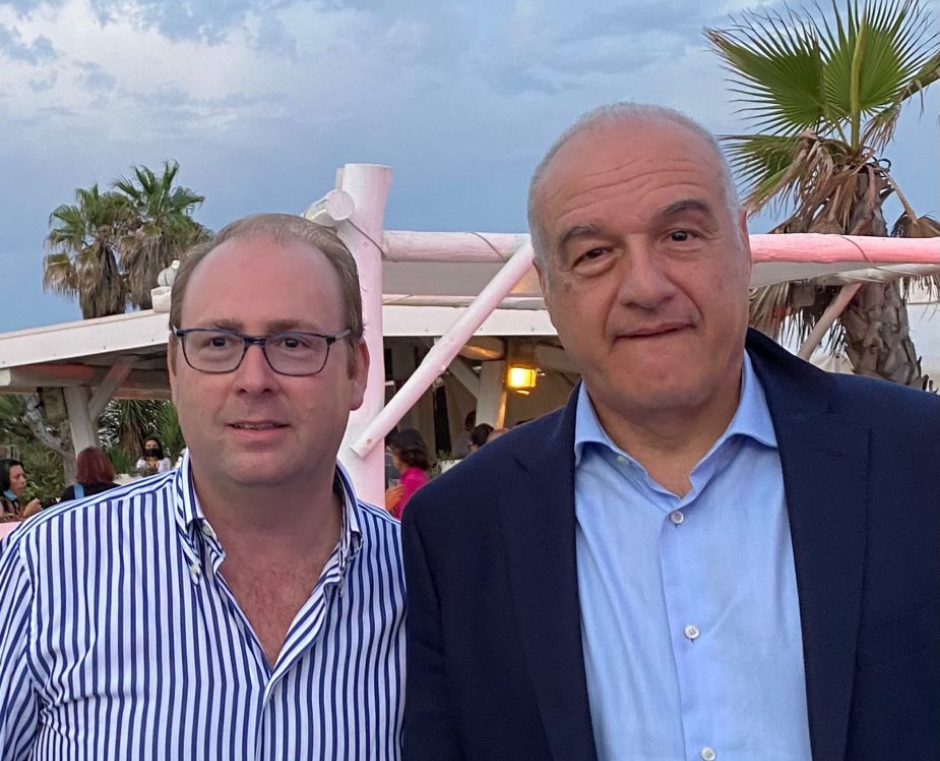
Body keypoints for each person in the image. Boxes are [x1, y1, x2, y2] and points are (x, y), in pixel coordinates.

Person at [401, 103, 939, 761]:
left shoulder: (918, 460)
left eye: (680, 235)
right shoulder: (460, 529)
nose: (645, 286)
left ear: (742, 245)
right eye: (594, 254)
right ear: (549, 290)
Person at [0, 213, 406, 759]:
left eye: (294, 342)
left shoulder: (423, 582)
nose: (254, 380)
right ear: (175, 368)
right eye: (217, 342)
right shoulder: (48, 569)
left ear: (356, 371)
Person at [384, 428, 431, 520]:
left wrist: (386, 508)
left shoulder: (412, 480)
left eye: (393, 450)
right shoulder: (413, 477)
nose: (391, 454)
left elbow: (404, 520)